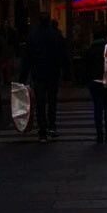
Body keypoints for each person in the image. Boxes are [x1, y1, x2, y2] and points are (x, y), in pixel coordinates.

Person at [28, 14, 68, 142]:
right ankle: (52, 126)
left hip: (38, 73)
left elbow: (27, 57)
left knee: (40, 103)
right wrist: (66, 72)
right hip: (53, 73)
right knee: (52, 101)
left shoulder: (33, 35)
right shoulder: (56, 35)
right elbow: (63, 54)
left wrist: (23, 77)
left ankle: (42, 131)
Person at [84, 32, 107, 143]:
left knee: (97, 107)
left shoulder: (89, 51)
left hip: (94, 82)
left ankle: (99, 134)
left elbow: (86, 68)